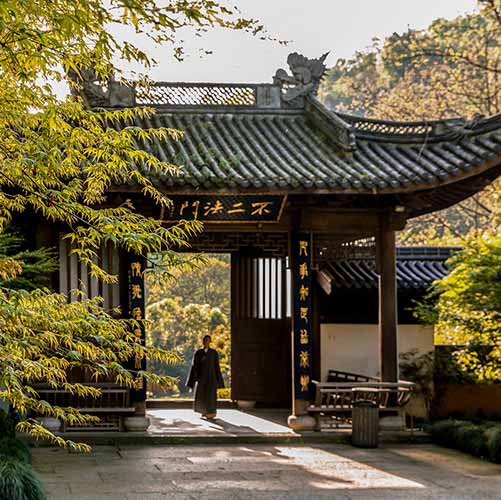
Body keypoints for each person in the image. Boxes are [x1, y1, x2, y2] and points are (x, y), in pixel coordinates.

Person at [186, 335, 224, 419]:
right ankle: (204, 411)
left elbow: (216, 367)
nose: (206, 342)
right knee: (202, 395)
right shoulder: (198, 353)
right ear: (203, 342)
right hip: (202, 378)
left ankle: (211, 412)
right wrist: (193, 380)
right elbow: (194, 366)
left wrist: (219, 381)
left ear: (210, 342)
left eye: (208, 340)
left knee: (211, 395)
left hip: (211, 378)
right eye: (205, 340)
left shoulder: (214, 353)